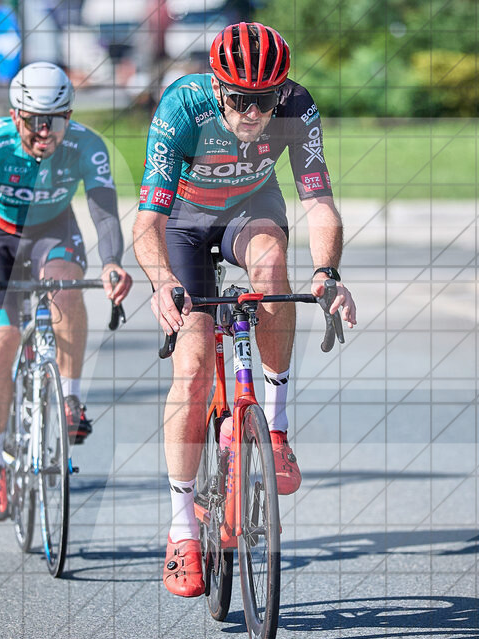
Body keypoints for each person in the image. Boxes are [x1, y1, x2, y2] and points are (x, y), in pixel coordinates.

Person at [131, 22, 357, 597]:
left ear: (281, 91)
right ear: (217, 87)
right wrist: (161, 284)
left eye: (265, 99)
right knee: (194, 361)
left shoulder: (298, 106)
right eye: (239, 100)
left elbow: (320, 204)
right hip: (183, 225)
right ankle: (182, 529)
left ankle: (274, 430)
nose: (253, 112)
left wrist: (328, 275)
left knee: (273, 268)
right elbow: (148, 223)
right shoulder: (183, 105)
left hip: (251, 209)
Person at [0, 62, 132, 521]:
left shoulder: (86, 145)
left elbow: (105, 212)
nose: (43, 131)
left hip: (53, 233)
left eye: (54, 120)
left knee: (69, 293)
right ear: (15, 115)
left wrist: (113, 261)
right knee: (0, 344)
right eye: (34, 120)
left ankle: (70, 397)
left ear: (68, 116)